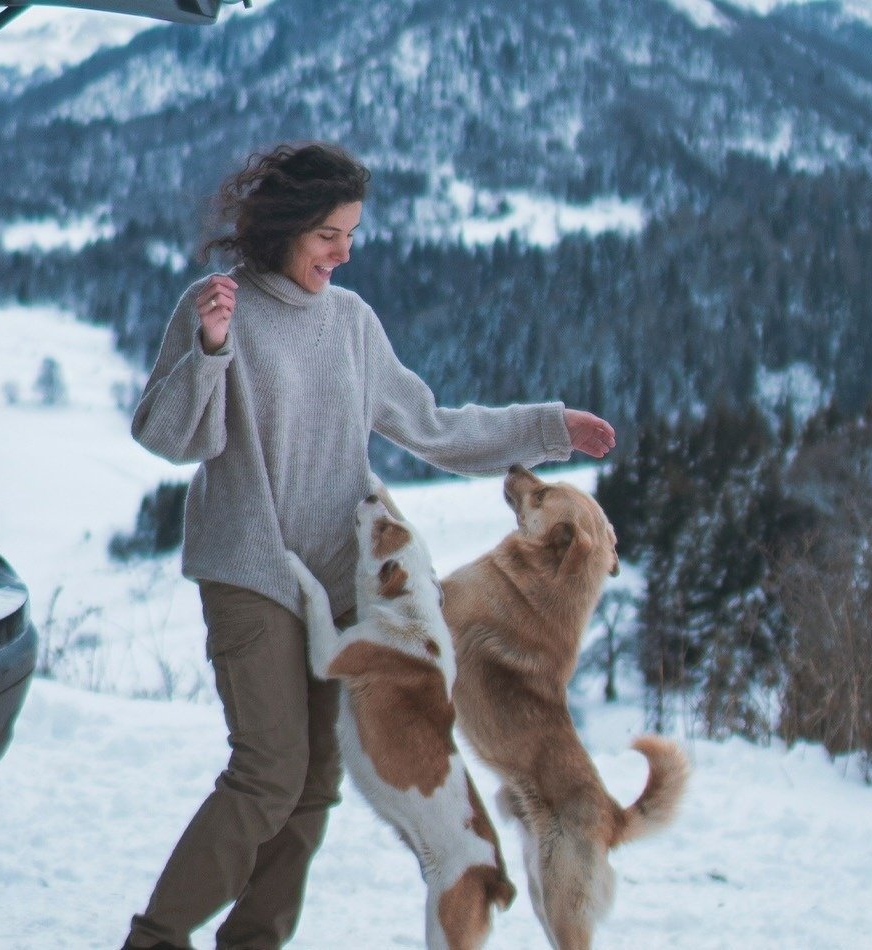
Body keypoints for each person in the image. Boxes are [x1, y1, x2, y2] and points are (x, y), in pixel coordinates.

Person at [122, 141, 616, 950]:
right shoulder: (217, 302)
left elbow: (433, 428)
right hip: (250, 569)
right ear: (284, 226)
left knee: (316, 786)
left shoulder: (351, 323)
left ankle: (252, 943)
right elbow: (170, 437)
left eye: (352, 234)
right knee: (267, 773)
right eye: (329, 235)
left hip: (343, 576)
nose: (345, 252)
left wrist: (550, 428)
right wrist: (211, 349)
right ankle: (155, 939)